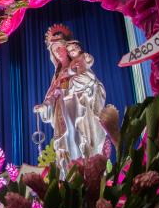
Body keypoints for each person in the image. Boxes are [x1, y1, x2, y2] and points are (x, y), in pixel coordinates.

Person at [34, 24, 106, 177]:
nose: (58, 52)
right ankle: (70, 178)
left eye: (60, 48)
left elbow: (93, 84)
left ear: (67, 49)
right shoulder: (58, 75)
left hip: (78, 112)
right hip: (63, 115)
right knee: (67, 145)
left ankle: (86, 175)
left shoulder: (79, 65)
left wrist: (80, 86)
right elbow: (53, 96)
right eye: (54, 50)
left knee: (79, 140)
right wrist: (45, 106)